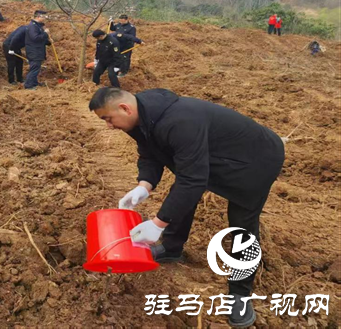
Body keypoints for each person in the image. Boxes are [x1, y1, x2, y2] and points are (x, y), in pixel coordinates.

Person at [88, 87, 284, 328]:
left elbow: (193, 180)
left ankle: (240, 294)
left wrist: (158, 223)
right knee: (183, 191)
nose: (108, 125)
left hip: (254, 160)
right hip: (216, 153)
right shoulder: (141, 118)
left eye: (108, 119)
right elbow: (150, 154)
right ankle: (171, 248)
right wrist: (144, 185)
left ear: (125, 108)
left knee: (242, 225)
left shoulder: (179, 121)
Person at [24, 10, 51, 90]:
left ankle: (34, 82)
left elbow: (41, 39)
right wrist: (45, 33)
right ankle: (28, 85)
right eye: (44, 17)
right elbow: (35, 38)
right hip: (34, 51)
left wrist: (48, 42)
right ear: (38, 17)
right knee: (34, 68)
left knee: (36, 67)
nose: (45, 18)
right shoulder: (32, 26)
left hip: (38, 51)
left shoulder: (38, 26)